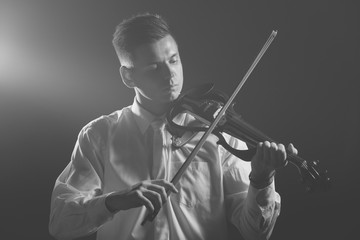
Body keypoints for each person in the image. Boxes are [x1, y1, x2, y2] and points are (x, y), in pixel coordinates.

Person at [49, 13, 298, 240]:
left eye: (174, 60)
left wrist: (261, 180)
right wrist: (115, 201)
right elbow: (60, 223)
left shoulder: (218, 132)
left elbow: (255, 232)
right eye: (154, 67)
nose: (171, 75)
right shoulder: (98, 136)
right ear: (128, 76)